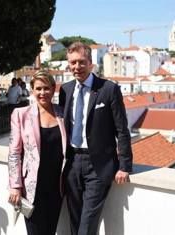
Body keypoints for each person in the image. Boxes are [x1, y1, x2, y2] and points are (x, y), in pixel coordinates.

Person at [59, 42, 133, 235]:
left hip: (98, 166)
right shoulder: (65, 90)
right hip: (72, 163)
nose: (77, 67)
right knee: (75, 222)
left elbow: (122, 130)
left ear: (91, 63)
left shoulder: (109, 89)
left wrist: (124, 166)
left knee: (86, 226)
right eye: (72, 63)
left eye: (81, 62)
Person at [8, 70, 67, 235]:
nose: (43, 93)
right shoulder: (21, 114)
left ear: (53, 89)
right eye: (38, 88)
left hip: (57, 187)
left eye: (46, 88)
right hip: (31, 189)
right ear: (32, 90)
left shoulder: (63, 113)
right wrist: (15, 186)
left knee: (50, 231)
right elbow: (14, 153)